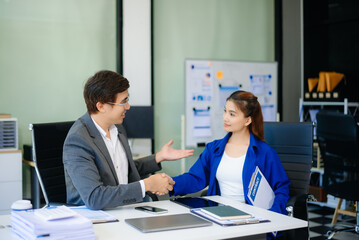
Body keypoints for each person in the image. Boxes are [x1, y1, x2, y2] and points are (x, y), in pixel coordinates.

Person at [63, 70, 194, 210]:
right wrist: (147, 185)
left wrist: (158, 157)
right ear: (101, 106)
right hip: (97, 219)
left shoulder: (118, 128)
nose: (128, 106)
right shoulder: (78, 141)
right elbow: (95, 198)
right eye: (123, 102)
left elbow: (123, 168)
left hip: (125, 209)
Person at [170, 90, 290, 220]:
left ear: (247, 120)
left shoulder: (264, 153)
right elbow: (195, 178)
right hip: (219, 216)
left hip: (251, 220)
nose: (225, 117)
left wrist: (272, 218)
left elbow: (281, 189)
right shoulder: (214, 149)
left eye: (232, 114)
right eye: (225, 111)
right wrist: (169, 183)